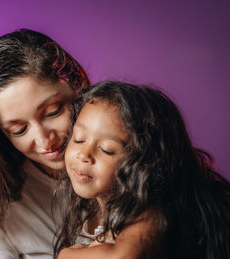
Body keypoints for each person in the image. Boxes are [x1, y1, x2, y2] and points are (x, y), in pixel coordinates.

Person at [0, 29, 90, 259]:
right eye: (18, 130)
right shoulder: (1, 213)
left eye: (53, 111)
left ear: (77, 84)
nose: (44, 140)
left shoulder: (137, 159)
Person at [55, 81, 230, 259]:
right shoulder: (93, 212)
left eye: (107, 149)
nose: (83, 154)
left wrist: (65, 255)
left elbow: (121, 257)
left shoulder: (151, 212)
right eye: (78, 139)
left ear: (145, 163)